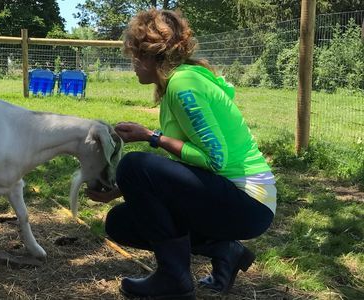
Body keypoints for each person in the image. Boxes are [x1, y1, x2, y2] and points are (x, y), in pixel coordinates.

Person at [86, 9, 276, 300]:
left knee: (134, 164)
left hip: (249, 202)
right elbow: (184, 171)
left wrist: (152, 137)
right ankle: (224, 250)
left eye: (134, 55)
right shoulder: (178, 83)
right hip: (226, 196)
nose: (132, 64)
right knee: (121, 221)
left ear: (150, 55)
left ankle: (173, 278)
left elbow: (215, 160)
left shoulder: (183, 85)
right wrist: (119, 192)